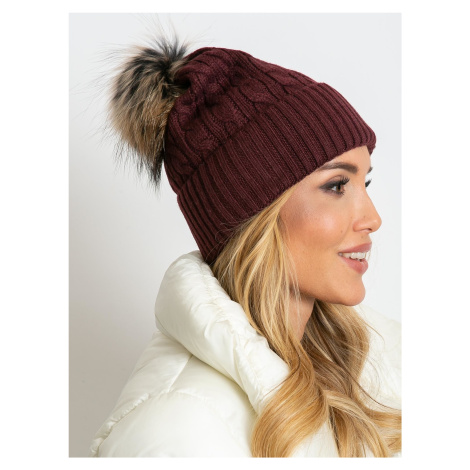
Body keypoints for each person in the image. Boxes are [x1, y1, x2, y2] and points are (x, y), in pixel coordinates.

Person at [89, 35, 401, 458]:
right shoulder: (176, 430)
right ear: (255, 212)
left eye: (365, 183)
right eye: (336, 185)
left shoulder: (369, 368)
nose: (373, 218)